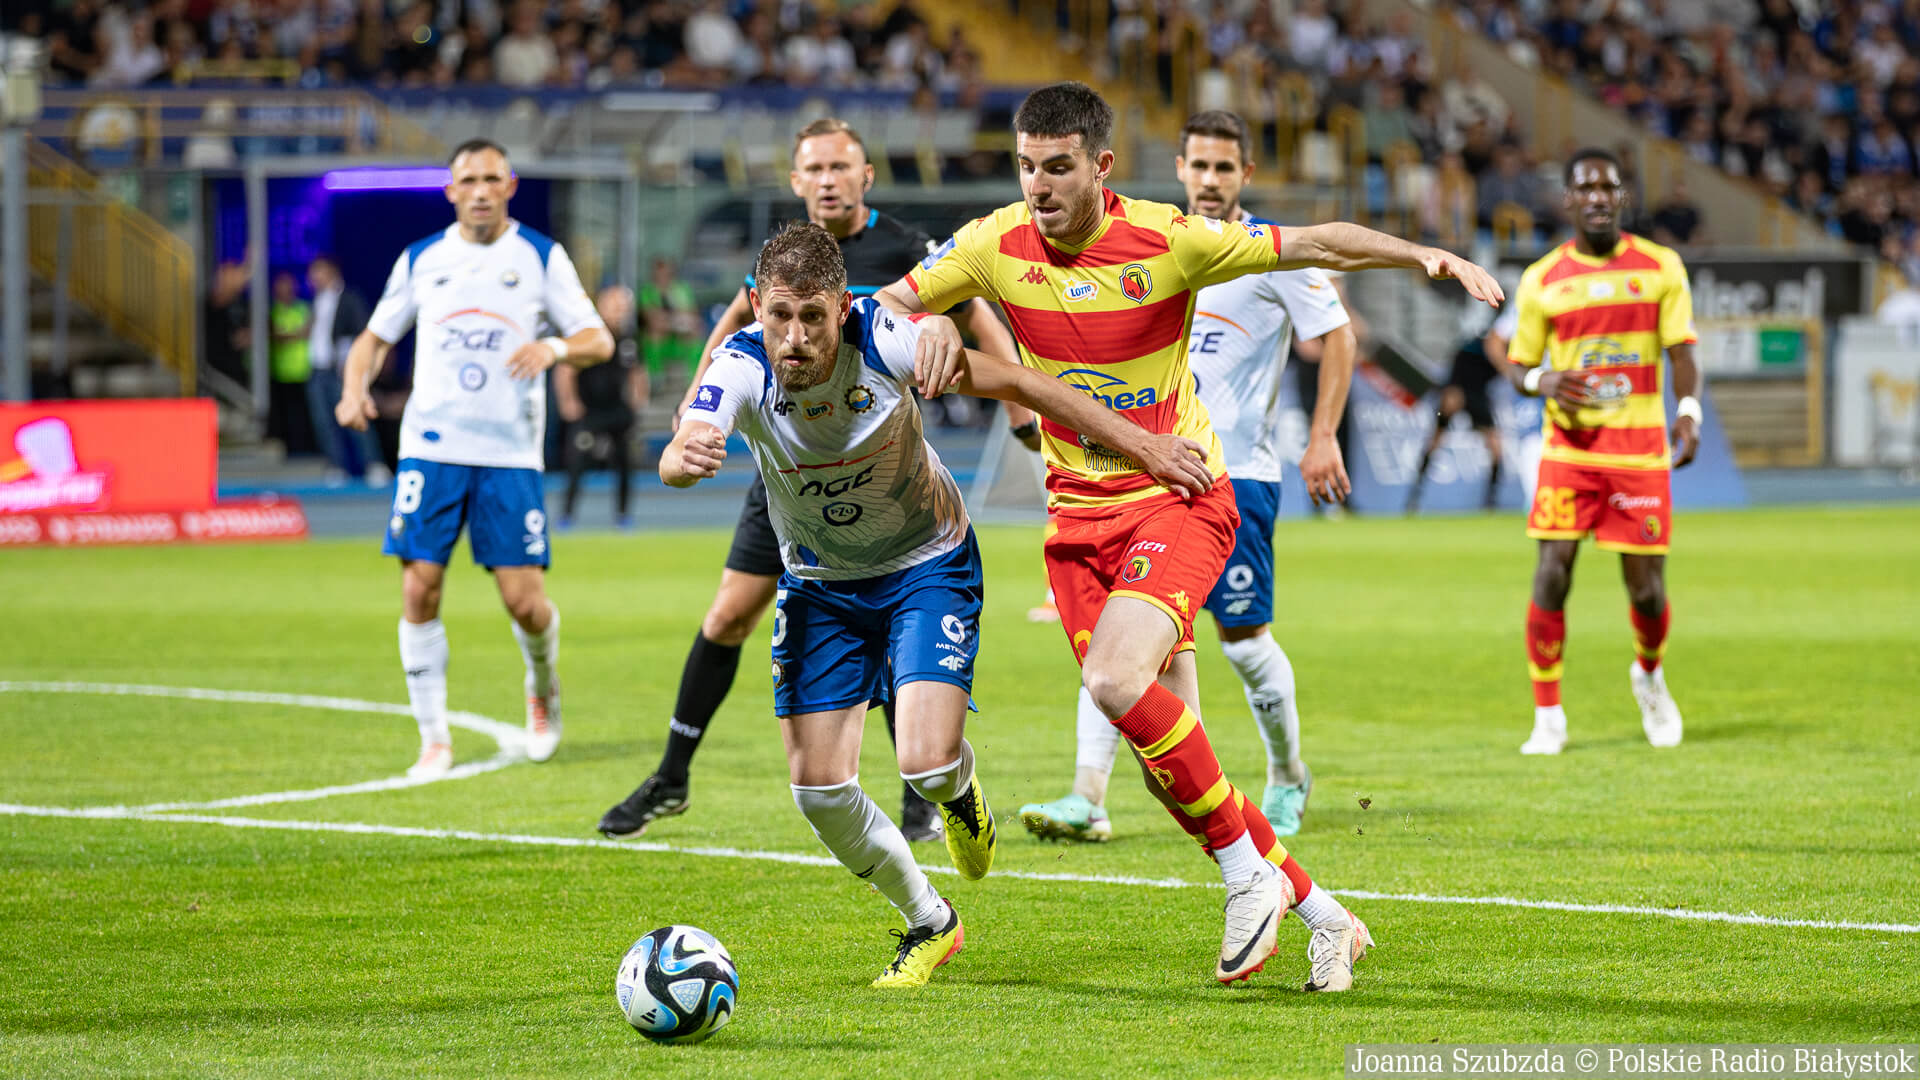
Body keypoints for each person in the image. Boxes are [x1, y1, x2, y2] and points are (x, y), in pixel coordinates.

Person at [881, 82, 1502, 988]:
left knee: (1113, 678)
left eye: (1057, 167)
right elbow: (888, 308)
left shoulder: (1171, 239)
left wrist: (1422, 253)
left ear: (1099, 166)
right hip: (1076, 519)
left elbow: (1317, 241)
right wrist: (924, 328)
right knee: (1161, 751)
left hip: (1180, 491)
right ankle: (1327, 918)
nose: (1038, 185)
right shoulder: (991, 243)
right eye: (1025, 166)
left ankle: (1248, 876)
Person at [659, 222, 1213, 987]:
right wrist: (682, 458)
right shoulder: (741, 364)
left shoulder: (885, 338)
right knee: (818, 791)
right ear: (757, 306)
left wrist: (1142, 444)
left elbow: (1018, 383)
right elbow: (690, 434)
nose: (793, 338)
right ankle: (930, 920)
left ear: (840, 309)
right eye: (778, 315)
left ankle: (958, 790)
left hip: (925, 565)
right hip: (820, 587)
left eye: (812, 317)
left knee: (923, 765)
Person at [598, 117, 1031, 844]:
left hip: (877, 470)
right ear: (796, 182)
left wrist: (1018, 410)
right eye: (814, 169)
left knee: (896, 599)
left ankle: (921, 794)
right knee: (729, 615)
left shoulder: (902, 247)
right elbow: (737, 325)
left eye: (841, 166)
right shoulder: (784, 263)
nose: (828, 179)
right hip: (789, 477)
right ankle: (672, 775)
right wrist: (692, 410)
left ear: (865, 176)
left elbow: (974, 315)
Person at [1017, 109, 1359, 844]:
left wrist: (1324, 434)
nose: (1209, 180)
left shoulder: (1266, 257)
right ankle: (1089, 795)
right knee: (1118, 636)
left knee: (1242, 639)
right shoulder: (1148, 245)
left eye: (1224, 168)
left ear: (1246, 176)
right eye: (1198, 166)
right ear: (1179, 169)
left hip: (1234, 475)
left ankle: (1287, 773)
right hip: (1137, 479)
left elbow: (1337, 337)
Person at [335, 138, 614, 778]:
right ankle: (433, 739)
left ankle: (542, 686)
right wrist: (354, 392)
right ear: (451, 190)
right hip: (431, 448)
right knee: (419, 587)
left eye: (493, 178)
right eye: (470, 180)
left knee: (524, 603)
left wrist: (554, 350)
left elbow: (597, 337)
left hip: (510, 455)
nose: (482, 190)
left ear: (509, 186)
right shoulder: (422, 259)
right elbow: (371, 342)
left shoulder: (541, 256)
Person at [1500, 147, 1700, 756]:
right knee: (1552, 570)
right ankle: (1548, 715)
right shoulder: (1543, 279)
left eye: (1608, 187)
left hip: (1639, 451)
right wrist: (1542, 382)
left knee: (1645, 590)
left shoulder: (1661, 268)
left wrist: (1687, 413)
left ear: (1622, 197)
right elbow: (1518, 364)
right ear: (1568, 199)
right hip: (1570, 449)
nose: (1596, 197)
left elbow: (1683, 352)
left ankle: (1650, 674)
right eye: (1584, 187)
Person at [1406, 296, 1518, 513]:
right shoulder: (1491, 340)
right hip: (1457, 391)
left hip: (1475, 395)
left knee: (1494, 445)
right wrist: (1452, 387)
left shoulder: (1497, 338)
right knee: (1436, 440)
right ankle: (1414, 497)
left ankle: (1490, 501)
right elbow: (1472, 358)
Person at [556, 284, 647, 529]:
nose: (620, 312)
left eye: (624, 307)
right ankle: (566, 515)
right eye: (615, 306)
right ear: (602, 306)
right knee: (577, 462)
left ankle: (623, 516)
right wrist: (569, 402)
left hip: (617, 410)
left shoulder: (629, 339)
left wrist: (637, 399)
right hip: (590, 410)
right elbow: (565, 368)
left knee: (626, 462)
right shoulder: (589, 334)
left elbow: (637, 371)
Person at [305, 255, 390, 488]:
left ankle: (374, 464)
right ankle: (336, 467)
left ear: (331, 271)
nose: (313, 278)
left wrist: (349, 363)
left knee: (356, 415)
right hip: (317, 370)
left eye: (318, 272)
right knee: (324, 422)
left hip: (340, 371)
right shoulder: (315, 301)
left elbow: (361, 332)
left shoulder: (349, 298)